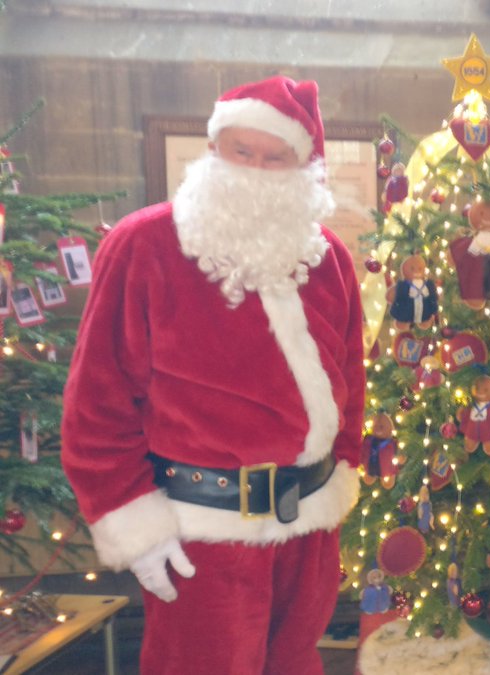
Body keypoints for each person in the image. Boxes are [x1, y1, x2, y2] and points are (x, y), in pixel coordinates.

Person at [60, 76, 365, 674]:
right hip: (200, 539)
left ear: (304, 168)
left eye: (275, 157)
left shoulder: (328, 258)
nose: (255, 169)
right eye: (241, 150)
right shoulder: (143, 245)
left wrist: (344, 470)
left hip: (308, 528)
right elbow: (96, 404)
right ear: (213, 149)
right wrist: (135, 524)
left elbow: (349, 381)